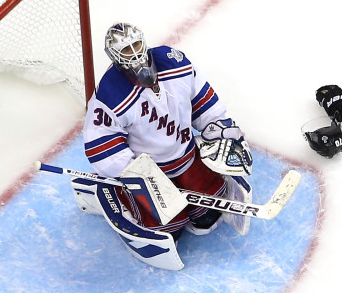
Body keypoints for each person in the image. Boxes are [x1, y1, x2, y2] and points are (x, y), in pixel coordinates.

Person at [73, 23, 253, 270]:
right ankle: (122, 197)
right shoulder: (110, 93)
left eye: (136, 45)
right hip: (151, 170)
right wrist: (135, 173)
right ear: (114, 56)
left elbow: (200, 99)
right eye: (126, 50)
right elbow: (101, 142)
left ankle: (188, 195)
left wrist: (218, 127)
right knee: (169, 227)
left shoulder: (173, 62)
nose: (134, 53)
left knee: (207, 215)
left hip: (186, 155)